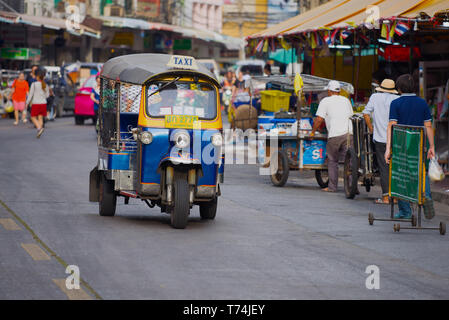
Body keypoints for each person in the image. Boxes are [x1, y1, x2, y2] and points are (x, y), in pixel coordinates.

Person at [385, 74, 436, 220]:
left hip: (400, 144)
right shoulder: (422, 103)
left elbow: (391, 126)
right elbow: (428, 126)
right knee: (421, 171)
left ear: (399, 88)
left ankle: (405, 211)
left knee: (400, 173)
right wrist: (431, 146)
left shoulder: (396, 103)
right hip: (419, 144)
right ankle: (425, 195)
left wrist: (388, 148)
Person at [310, 80, 354, 192]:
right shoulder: (346, 100)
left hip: (335, 135)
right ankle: (352, 187)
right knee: (349, 162)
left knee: (333, 160)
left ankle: (332, 187)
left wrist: (312, 132)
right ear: (338, 91)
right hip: (349, 134)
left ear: (329, 91)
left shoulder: (326, 101)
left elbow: (319, 119)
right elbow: (351, 116)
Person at [363, 79, 399, 204]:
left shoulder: (375, 97)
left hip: (380, 138)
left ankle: (385, 197)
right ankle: (394, 197)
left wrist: (372, 128)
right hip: (395, 138)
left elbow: (366, 114)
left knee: (384, 168)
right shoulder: (396, 99)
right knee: (394, 167)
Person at [26, 72, 49, 138]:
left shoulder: (34, 84)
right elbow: (47, 96)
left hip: (36, 103)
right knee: (40, 117)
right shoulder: (45, 85)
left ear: (37, 78)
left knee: (32, 117)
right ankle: (39, 131)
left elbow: (30, 95)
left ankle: (39, 128)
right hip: (43, 103)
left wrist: (27, 102)